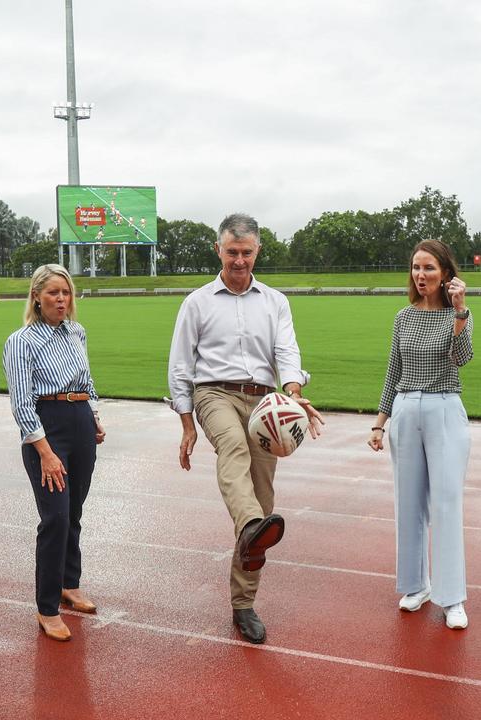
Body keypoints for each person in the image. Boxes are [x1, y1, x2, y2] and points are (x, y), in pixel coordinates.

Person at [167, 213, 324, 644]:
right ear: (219, 250)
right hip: (213, 394)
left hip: (265, 400)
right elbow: (180, 366)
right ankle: (251, 522)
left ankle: (243, 604)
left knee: (263, 498)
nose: (239, 260)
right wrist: (187, 424)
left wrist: (292, 391)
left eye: (247, 252)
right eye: (232, 252)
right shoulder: (197, 302)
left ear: (257, 252)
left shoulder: (274, 302)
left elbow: (287, 353)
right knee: (233, 447)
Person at [367, 240, 475, 630]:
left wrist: (461, 313)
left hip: (445, 408)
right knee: (408, 503)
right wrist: (380, 423)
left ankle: (452, 597)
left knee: (446, 503)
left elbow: (461, 358)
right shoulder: (402, 317)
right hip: (405, 409)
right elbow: (392, 372)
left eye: (429, 268)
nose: (421, 275)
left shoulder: (459, 315)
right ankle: (416, 585)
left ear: (445, 272)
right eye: (416, 267)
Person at [3, 263, 106, 642]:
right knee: (55, 518)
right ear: (36, 296)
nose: (61, 300)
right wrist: (44, 451)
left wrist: (93, 416)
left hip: (79, 420)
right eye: (53, 293)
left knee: (74, 511)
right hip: (47, 428)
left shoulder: (77, 332)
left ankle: (69, 583)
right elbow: (21, 402)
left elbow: (87, 380)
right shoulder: (22, 341)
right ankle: (47, 607)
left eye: (66, 293)